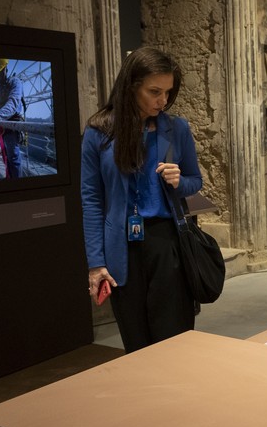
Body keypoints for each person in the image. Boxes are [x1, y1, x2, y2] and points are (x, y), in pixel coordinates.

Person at [81, 47, 203, 352]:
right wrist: (96, 263)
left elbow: (195, 182)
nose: (163, 100)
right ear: (132, 85)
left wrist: (179, 181)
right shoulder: (99, 132)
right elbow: (91, 199)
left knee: (175, 341)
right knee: (136, 344)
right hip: (122, 249)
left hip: (167, 245)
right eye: (154, 91)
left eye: (168, 92)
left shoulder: (177, 129)